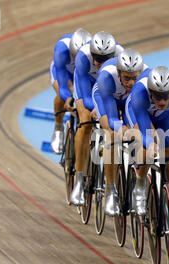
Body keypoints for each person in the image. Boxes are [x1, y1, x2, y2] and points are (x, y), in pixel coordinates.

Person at [125, 66, 169, 257]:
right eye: (157, 97)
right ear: (150, 92)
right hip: (139, 113)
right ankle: (140, 183)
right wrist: (150, 144)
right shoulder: (139, 92)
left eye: (165, 97)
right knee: (147, 147)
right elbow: (145, 130)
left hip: (165, 119)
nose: (161, 101)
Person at [92, 48, 149, 216]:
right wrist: (121, 128)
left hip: (129, 101)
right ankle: (110, 191)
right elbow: (111, 118)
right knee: (112, 134)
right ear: (118, 73)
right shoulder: (107, 76)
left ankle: (138, 175)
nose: (131, 83)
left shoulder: (147, 77)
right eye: (126, 78)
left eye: (134, 78)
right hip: (106, 99)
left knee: (142, 132)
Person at [70, 31, 124, 206]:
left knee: (113, 128)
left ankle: (112, 184)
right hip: (87, 86)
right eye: (98, 59)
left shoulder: (120, 56)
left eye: (106, 58)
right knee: (85, 122)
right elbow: (86, 95)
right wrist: (95, 108)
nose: (101, 63)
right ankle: (78, 180)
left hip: (107, 88)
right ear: (92, 54)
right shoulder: (83, 57)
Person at [49, 28, 92, 154]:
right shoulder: (62, 49)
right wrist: (67, 96)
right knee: (63, 95)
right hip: (64, 73)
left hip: (84, 73)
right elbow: (62, 85)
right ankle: (58, 128)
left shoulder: (93, 50)